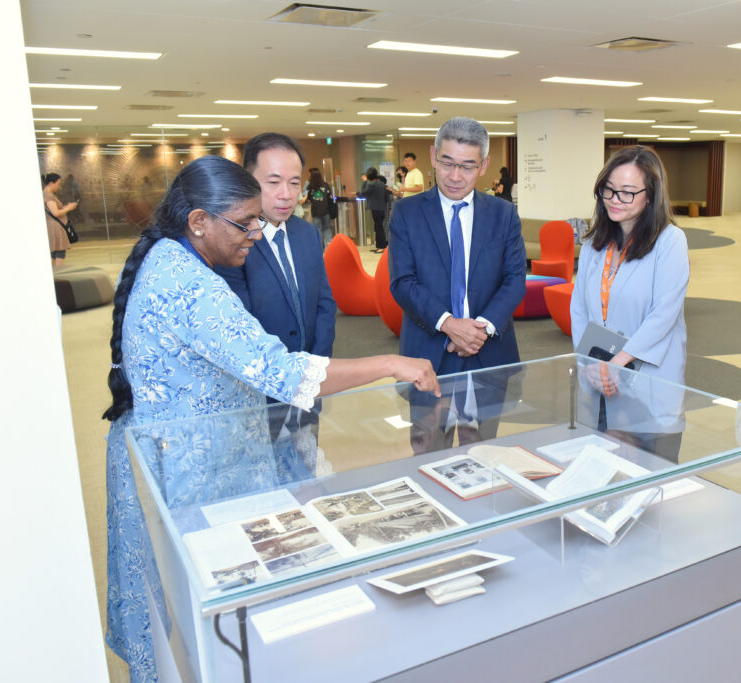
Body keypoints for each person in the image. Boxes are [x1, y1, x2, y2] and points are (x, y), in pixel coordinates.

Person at [102, 155, 438, 683]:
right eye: (245, 222)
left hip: (189, 456)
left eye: (259, 219)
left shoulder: (174, 260)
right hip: (190, 472)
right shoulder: (191, 285)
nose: (257, 233)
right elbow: (281, 372)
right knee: (200, 619)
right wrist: (390, 362)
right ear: (198, 222)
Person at [389, 117, 526, 449]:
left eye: (467, 166)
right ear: (434, 156)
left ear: (484, 166)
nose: (454, 176)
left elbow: (515, 279)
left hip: (488, 352)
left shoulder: (503, 214)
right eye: (447, 163)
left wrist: (477, 331)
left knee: (482, 454)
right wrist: (450, 325)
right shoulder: (407, 212)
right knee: (427, 452)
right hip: (429, 355)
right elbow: (403, 282)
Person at [569, 146, 689, 460]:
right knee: (602, 470)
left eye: (626, 193)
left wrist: (616, 362)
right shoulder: (595, 244)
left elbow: (664, 314)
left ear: (650, 195)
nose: (614, 200)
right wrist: (590, 361)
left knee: (652, 472)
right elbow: (580, 309)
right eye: (608, 190)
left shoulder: (669, 241)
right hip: (601, 377)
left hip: (647, 379)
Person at [215, 133, 337, 361]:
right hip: (261, 379)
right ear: (248, 181)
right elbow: (239, 321)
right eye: (273, 182)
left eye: (294, 183)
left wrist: (317, 363)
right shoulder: (233, 240)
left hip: (311, 376)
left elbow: (324, 303)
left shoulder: (307, 233)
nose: (287, 195)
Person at [42, 172, 78, 269]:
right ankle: (59, 275)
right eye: (58, 184)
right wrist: (69, 208)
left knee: (54, 253)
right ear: (51, 183)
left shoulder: (46, 195)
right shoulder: (48, 195)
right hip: (55, 227)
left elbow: (54, 210)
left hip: (53, 226)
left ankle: (56, 275)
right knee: (59, 252)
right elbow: (55, 213)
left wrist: (66, 207)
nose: (59, 186)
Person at [359, 167, 389, 252]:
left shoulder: (371, 185)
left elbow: (362, 193)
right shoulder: (382, 184)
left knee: (378, 228)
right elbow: (386, 197)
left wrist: (364, 182)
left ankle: (382, 247)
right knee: (378, 227)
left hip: (375, 208)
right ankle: (379, 246)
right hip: (382, 208)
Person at [305, 167, 334, 245]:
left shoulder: (310, 187)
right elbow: (329, 195)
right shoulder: (325, 185)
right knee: (327, 229)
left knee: (318, 230)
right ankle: (329, 248)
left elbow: (308, 199)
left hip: (316, 212)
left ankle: (320, 248)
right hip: (326, 211)